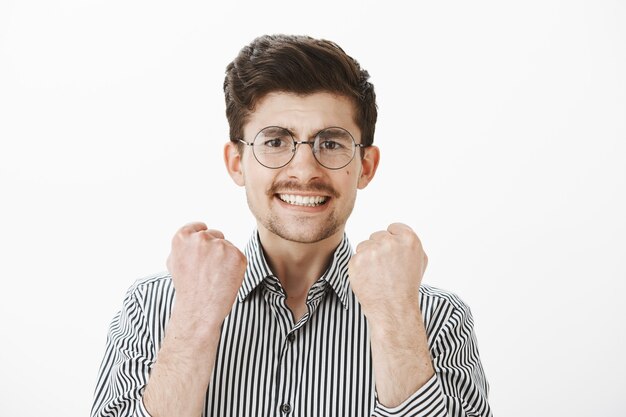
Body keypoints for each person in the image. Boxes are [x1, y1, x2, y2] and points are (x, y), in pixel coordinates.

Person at [91, 34, 492, 417]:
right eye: (275, 141)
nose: (304, 170)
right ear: (236, 163)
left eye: (331, 143)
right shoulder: (154, 308)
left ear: (365, 166)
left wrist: (395, 317)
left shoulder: (435, 318)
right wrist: (195, 317)